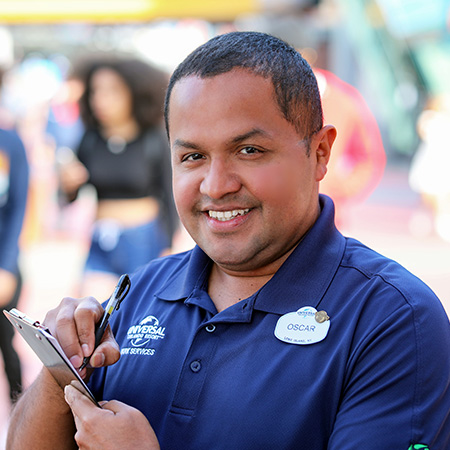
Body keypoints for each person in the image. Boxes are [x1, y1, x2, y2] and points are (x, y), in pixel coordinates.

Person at [7, 32, 450, 450]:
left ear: (319, 153)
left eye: (249, 151)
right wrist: (60, 367)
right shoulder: (141, 292)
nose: (216, 185)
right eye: (193, 156)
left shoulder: (392, 319)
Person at [57, 56, 177, 299]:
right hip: (101, 237)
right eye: (95, 91)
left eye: (112, 91)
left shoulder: (153, 139)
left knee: (138, 309)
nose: (100, 99)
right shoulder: (90, 139)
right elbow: (71, 197)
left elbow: (170, 193)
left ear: (133, 93)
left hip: (143, 239)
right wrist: (69, 184)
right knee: (93, 308)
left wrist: (169, 246)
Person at [0, 69, 29, 403]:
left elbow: (18, 206)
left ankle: (19, 410)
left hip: (3, 261)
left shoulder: (9, 142)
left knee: (5, 343)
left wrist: (6, 266)